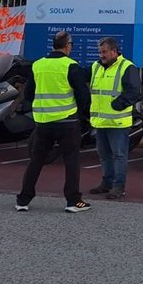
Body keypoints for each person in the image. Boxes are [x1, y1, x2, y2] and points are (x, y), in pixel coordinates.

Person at [16, 30, 92, 213]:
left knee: (36, 160)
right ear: (67, 46)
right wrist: (84, 114)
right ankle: (73, 201)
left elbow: (28, 94)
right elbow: (83, 95)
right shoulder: (71, 65)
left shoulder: (38, 65)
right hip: (67, 121)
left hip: (43, 122)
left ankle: (23, 200)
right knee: (71, 160)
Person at [88, 36, 140, 200]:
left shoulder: (127, 67)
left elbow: (134, 91)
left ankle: (119, 187)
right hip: (100, 121)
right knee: (104, 155)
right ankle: (107, 183)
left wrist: (118, 104)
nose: (101, 55)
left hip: (118, 122)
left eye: (104, 52)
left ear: (114, 51)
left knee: (119, 155)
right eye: (99, 52)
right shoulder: (96, 66)